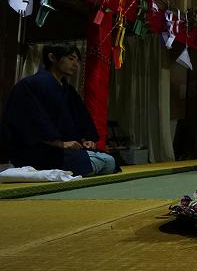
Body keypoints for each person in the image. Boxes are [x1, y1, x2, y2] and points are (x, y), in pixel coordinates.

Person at [1, 43, 116, 176]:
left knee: (109, 161)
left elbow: (79, 118)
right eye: (71, 59)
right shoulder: (29, 85)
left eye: (78, 61)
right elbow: (27, 121)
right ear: (52, 57)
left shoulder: (68, 90)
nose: (75, 65)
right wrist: (58, 143)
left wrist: (86, 140)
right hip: (39, 149)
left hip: (65, 149)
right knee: (94, 163)